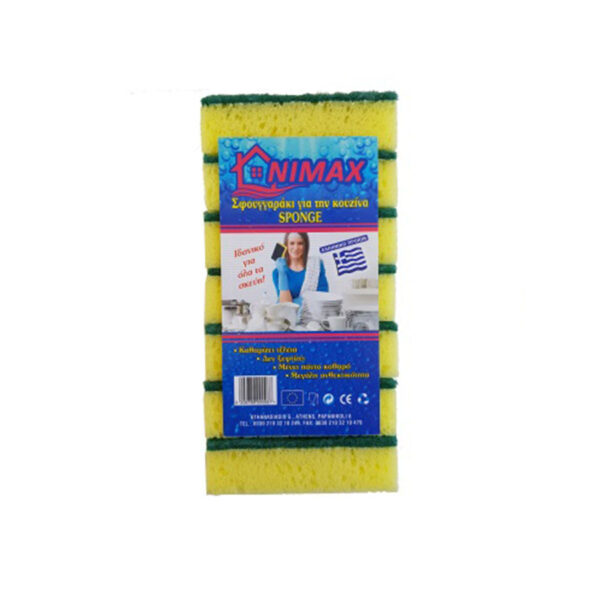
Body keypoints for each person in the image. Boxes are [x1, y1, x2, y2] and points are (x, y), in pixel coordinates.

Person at [272, 232, 329, 308]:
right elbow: (285, 305)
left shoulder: (316, 265)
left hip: (313, 314)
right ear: (286, 245)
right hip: (288, 314)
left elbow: (323, 296)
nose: (296, 248)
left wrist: (297, 303)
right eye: (292, 243)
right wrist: (282, 274)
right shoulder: (277, 272)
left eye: (300, 243)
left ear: (305, 246)